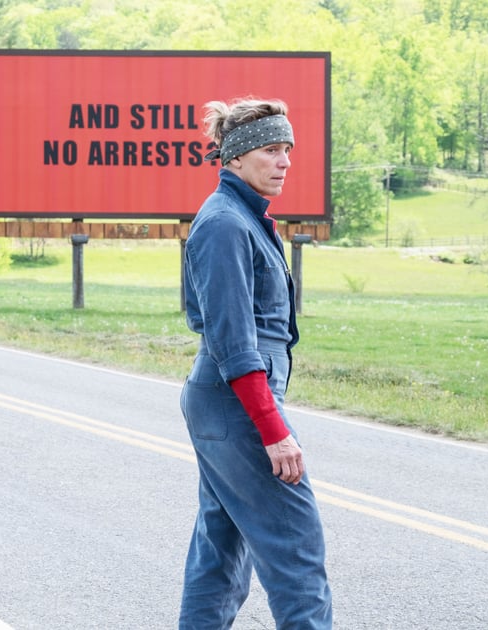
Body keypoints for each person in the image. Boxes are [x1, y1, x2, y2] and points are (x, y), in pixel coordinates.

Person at [178, 97, 333, 629]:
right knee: (296, 551)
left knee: (221, 551)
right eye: (272, 149)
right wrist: (273, 429)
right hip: (236, 403)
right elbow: (234, 343)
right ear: (236, 158)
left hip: (229, 402)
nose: (285, 161)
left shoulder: (243, 218)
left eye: (288, 149)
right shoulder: (224, 225)